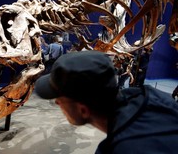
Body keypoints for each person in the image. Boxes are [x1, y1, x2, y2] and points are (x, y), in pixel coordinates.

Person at [35, 50, 178, 153]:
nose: (56, 103)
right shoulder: (157, 98)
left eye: (59, 99)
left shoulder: (117, 149)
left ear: (83, 110)